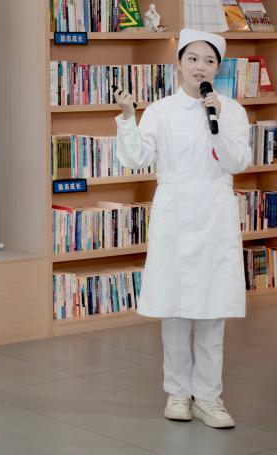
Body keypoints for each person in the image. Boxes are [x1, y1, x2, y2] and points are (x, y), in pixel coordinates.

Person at [113, 28, 250, 430]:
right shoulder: (161, 111)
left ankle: (208, 397)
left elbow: (236, 162)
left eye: (209, 61)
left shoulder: (231, 111)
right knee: (173, 312)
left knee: (211, 313)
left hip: (214, 214)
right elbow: (135, 158)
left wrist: (217, 123)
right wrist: (128, 117)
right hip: (174, 213)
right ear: (178, 64)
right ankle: (177, 392)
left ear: (218, 68)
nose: (200, 67)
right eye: (192, 59)